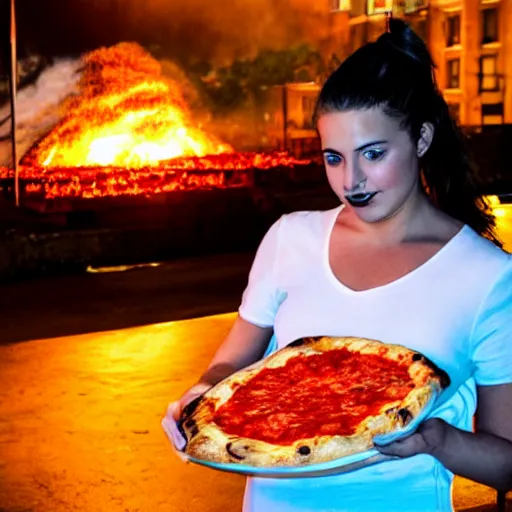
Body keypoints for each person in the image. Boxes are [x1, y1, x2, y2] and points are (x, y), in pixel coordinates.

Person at [168, 19, 512, 511]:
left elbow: (507, 464)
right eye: (334, 157)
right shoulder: (291, 238)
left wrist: (435, 439)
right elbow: (229, 367)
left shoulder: (488, 277)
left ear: (420, 139)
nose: (352, 180)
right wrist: (200, 395)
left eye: (372, 154)